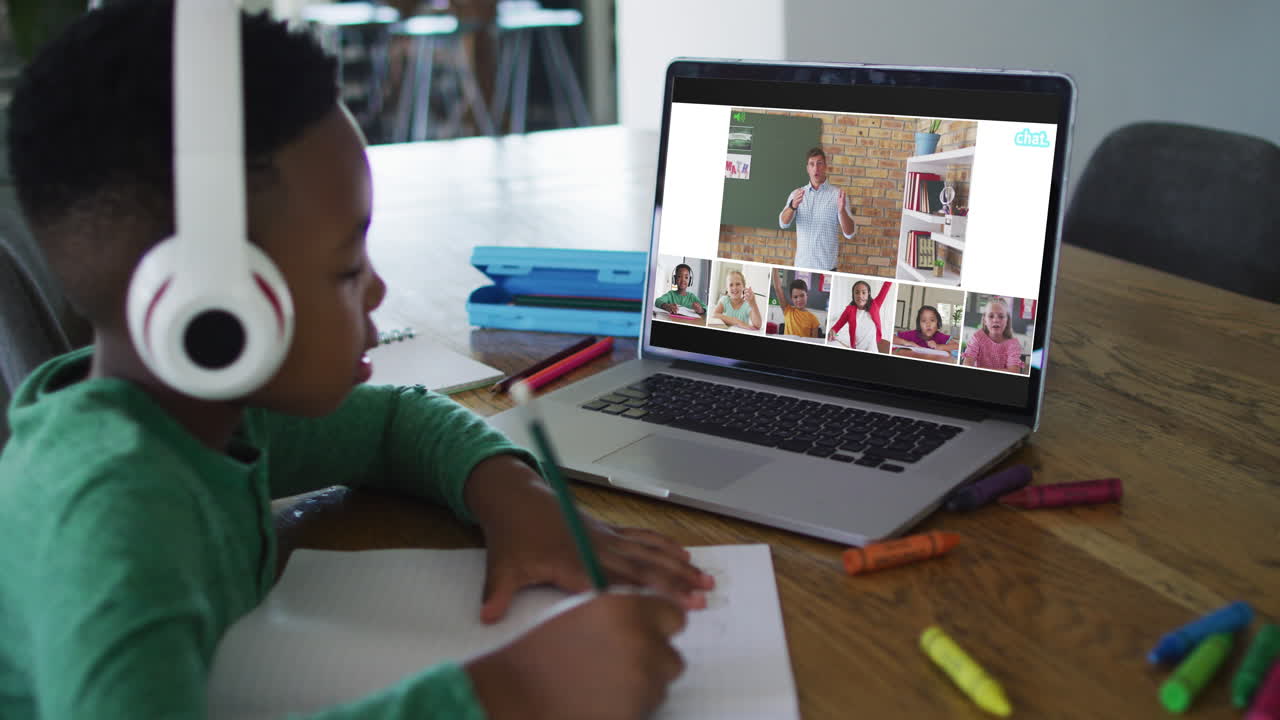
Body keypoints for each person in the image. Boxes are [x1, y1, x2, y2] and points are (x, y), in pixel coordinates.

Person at [0, 4, 712, 719]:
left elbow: (393, 423)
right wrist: (512, 693)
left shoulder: (206, 417)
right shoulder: (111, 520)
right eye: (346, 269)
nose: (376, 289)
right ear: (213, 310)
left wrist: (515, 497)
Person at [778, 147, 855, 271]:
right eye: (812, 164)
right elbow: (783, 223)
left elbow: (850, 234)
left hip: (826, 269)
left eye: (819, 163)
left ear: (825, 166)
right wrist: (792, 206)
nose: (816, 168)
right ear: (807, 168)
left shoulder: (838, 195)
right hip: (801, 267)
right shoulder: (797, 194)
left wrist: (842, 211)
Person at [961, 298, 1025, 373]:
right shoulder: (977, 337)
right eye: (991, 316)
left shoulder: (1013, 344)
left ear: (1007, 320)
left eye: (1001, 316)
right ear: (985, 320)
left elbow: (1014, 371)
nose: (996, 320)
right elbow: (967, 363)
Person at [827, 279, 892, 352]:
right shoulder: (849, 310)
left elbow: (886, 286)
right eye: (857, 292)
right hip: (856, 348)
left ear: (868, 294)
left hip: (872, 349)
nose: (860, 296)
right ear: (853, 294)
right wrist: (832, 331)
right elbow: (837, 326)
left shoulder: (875, 305)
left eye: (864, 293)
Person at [770, 269, 822, 338]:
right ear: (791, 298)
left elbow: (814, 341)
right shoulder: (787, 310)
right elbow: (778, 288)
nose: (799, 300)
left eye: (802, 295)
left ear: (807, 295)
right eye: (795, 297)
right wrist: (774, 268)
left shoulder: (813, 319)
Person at [894, 305, 959, 356]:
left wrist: (938, 346)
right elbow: (892, 337)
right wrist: (907, 342)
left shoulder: (940, 336)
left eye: (932, 320)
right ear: (919, 324)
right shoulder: (913, 334)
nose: (928, 324)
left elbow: (957, 346)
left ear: (937, 323)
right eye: (923, 321)